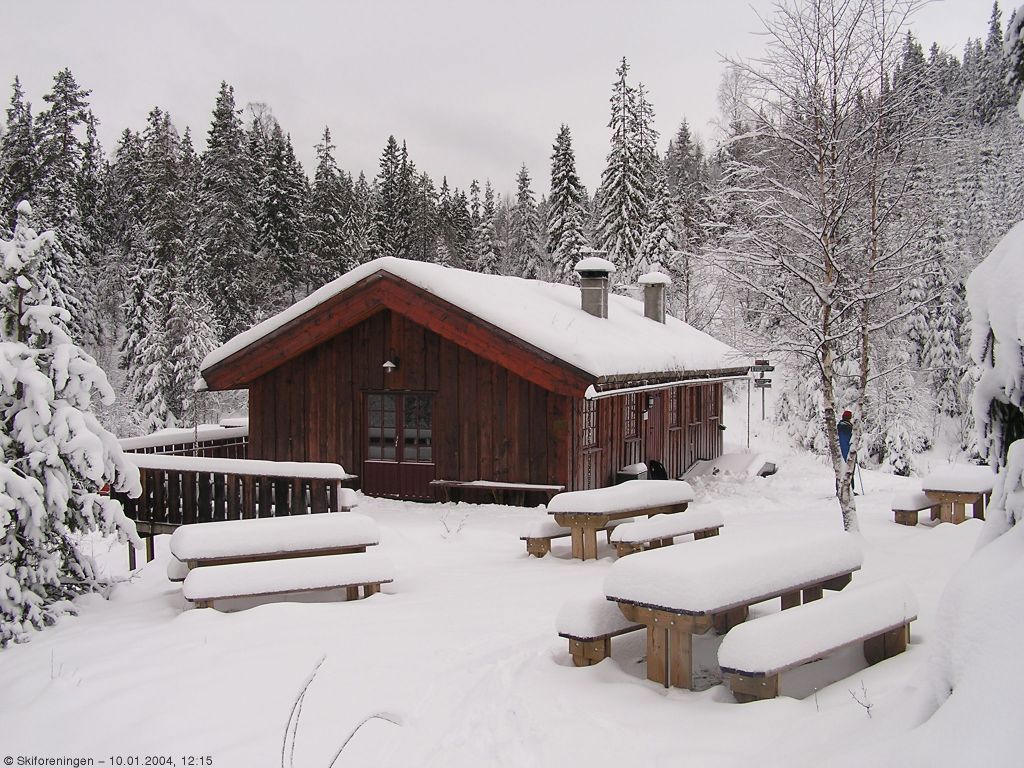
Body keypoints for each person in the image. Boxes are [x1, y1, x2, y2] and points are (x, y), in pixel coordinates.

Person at [837, 409, 854, 491]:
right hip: (848, 451)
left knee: (840, 471)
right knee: (849, 470)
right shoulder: (849, 427)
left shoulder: (838, 426)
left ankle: (839, 489)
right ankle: (849, 490)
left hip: (839, 452)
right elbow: (851, 440)